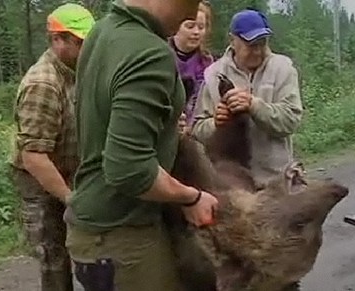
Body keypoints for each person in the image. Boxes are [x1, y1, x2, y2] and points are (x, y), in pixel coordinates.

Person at [64, 0, 219, 290]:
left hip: (92, 231)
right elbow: (129, 168)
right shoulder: (149, 52)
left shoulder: (102, 32)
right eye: (191, 3)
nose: (191, 14)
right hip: (124, 237)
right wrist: (190, 197)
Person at [9, 3, 95, 291]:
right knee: (54, 256)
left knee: (82, 248)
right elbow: (33, 156)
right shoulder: (43, 83)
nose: (87, 48)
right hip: (41, 182)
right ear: (58, 40)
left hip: (69, 171)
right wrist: (70, 198)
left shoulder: (76, 72)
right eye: (80, 42)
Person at [192, 8, 304, 185]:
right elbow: (197, 129)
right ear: (232, 40)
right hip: (229, 184)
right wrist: (216, 123)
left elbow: (290, 121)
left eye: (262, 43)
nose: (258, 51)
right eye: (251, 45)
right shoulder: (213, 75)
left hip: (276, 182)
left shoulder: (283, 69)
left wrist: (254, 105)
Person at [169, 0, 214, 129]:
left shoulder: (209, 66)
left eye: (201, 27)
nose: (196, 32)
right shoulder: (160, 56)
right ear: (176, 26)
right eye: (190, 26)